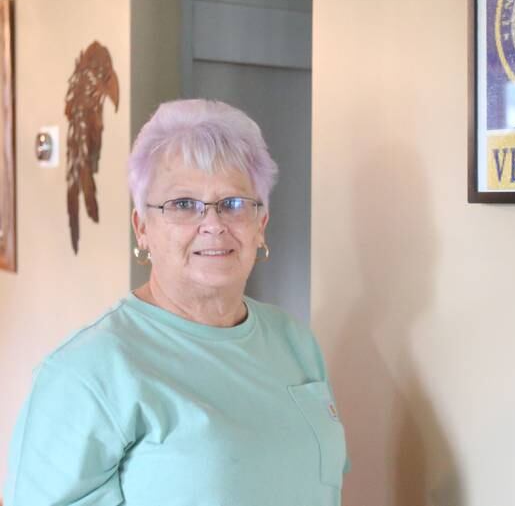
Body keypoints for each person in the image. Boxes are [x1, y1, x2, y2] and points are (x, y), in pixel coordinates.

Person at [3, 100, 348, 505]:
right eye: (183, 205)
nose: (214, 224)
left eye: (234, 203)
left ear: (261, 224)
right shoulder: (85, 373)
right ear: (142, 228)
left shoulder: (296, 343)